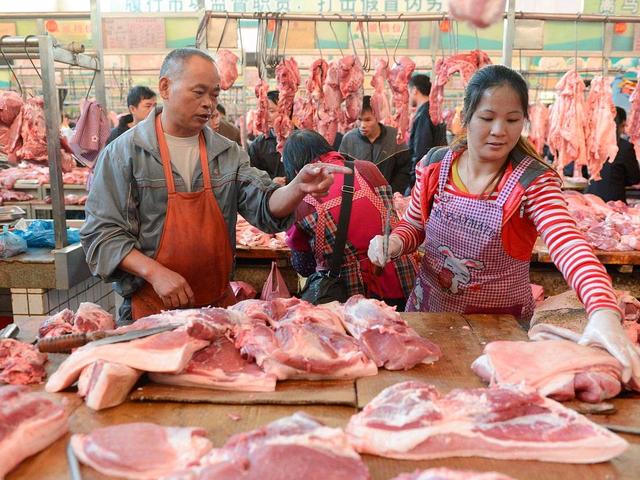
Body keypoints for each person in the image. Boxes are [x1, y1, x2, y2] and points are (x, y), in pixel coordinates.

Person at [368, 64, 640, 383]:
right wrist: (395, 242)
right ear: (466, 117)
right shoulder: (435, 166)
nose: (499, 130)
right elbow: (414, 226)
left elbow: (569, 245)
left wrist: (603, 310)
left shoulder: (532, 181)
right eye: (487, 118)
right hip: (429, 319)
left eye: (512, 120)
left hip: (499, 335)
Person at [81, 48, 348, 325]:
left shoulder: (226, 152)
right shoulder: (124, 153)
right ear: (165, 87)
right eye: (199, 93)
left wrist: (297, 187)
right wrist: (154, 272)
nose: (209, 104)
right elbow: (101, 236)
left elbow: (263, 202)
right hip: (150, 311)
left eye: (214, 95)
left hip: (215, 309)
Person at [283, 130, 417, 309]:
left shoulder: (300, 198)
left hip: (350, 295)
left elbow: (303, 266)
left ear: (295, 167)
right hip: (400, 276)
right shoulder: (366, 169)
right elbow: (387, 214)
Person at [339, 95, 411, 194]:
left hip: (390, 198)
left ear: (377, 117)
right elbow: (341, 171)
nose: (363, 125)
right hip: (358, 198)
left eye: (368, 120)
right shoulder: (348, 139)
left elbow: (405, 169)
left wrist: (393, 192)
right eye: (360, 120)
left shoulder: (395, 136)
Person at [586, 107, 640, 203]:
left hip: (590, 198)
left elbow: (584, 172)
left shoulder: (592, 143)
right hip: (613, 202)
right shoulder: (625, 147)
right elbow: (634, 178)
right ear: (621, 124)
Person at [407, 74, 447, 192]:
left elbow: (421, 150)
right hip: (434, 172)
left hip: (425, 175)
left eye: (409, 92)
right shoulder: (431, 110)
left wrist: (414, 180)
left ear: (414, 90)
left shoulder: (424, 114)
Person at [248, 90, 286, 184]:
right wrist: (270, 181)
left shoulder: (300, 138)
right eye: (264, 111)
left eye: (272, 111)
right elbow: (252, 175)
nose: (267, 115)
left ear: (285, 110)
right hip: (271, 195)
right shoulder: (258, 145)